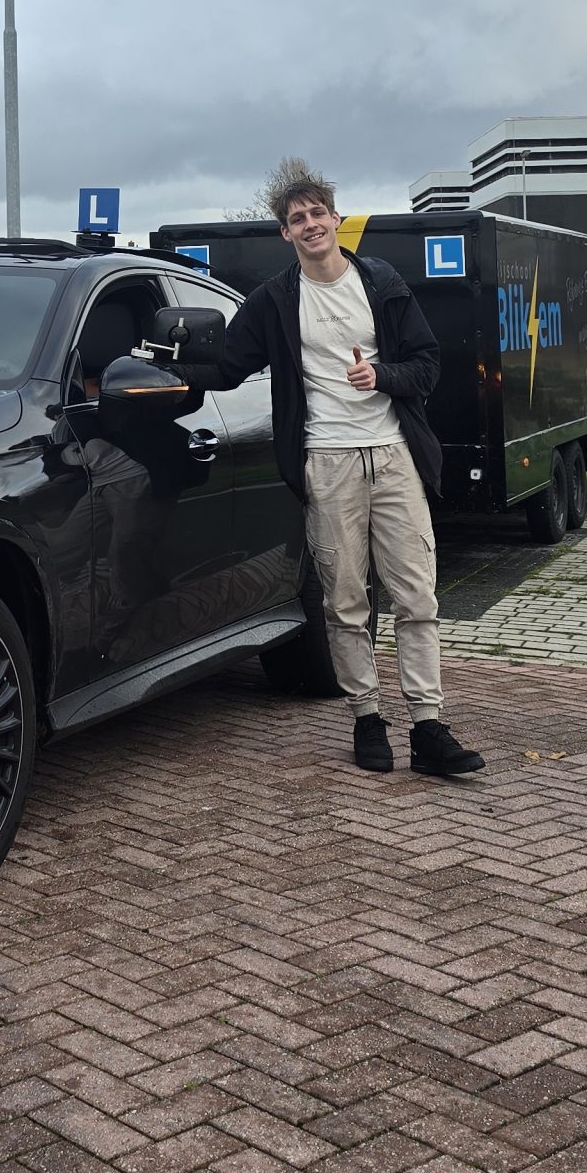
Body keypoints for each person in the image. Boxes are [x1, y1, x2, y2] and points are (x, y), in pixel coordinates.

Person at [180, 166, 484, 777]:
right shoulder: (274, 300)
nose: (310, 224)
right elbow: (228, 367)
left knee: (416, 596)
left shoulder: (380, 282)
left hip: (394, 456)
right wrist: (165, 366)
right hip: (327, 461)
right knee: (346, 602)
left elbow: (427, 364)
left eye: (317, 213)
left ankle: (428, 727)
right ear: (285, 233)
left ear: (335, 219)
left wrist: (382, 376)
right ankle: (367, 719)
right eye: (297, 219)